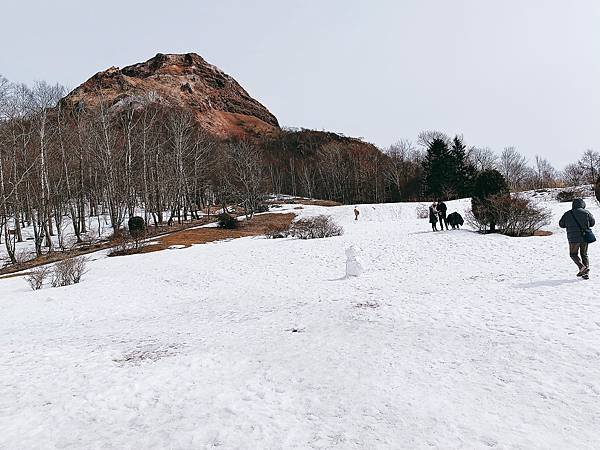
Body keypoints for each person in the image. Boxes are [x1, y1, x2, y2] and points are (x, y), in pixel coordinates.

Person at [559, 198, 595, 279]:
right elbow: (592, 223)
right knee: (584, 254)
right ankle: (585, 273)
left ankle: (582, 267)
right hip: (584, 236)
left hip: (573, 238)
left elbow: (561, 224)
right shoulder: (586, 212)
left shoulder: (567, 214)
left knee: (573, 254)